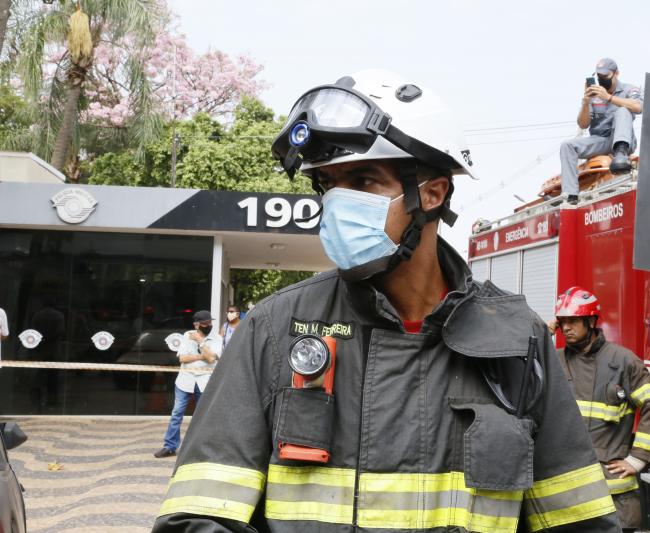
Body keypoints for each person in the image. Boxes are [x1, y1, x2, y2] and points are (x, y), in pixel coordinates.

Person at [153, 70, 620, 532]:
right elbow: (197, 515)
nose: (338, 203)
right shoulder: (275, 327)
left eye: (362, 180)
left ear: (433, 192)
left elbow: (577, 521)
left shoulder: (519, 339)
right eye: (327, 185)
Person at [551, 287, 650, 532]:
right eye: (562, 322)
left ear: (591, 321)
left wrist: (638, 459)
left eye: (572, 320)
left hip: (613, 498)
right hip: (567, 490)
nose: (566, 328)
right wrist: (541, 335)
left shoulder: (622, 361)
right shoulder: (555, 360)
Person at [559, 58, 643, 204]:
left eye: (606, 76)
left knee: (623, 110)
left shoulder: (629, 89)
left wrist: (609, 98)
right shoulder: (594, 95)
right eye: (599, 77)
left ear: (616, 73)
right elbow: (583, 124)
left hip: (623, 139)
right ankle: (571, 196)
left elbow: (638, 107)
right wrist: (586, 101)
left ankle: (620, 155)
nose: (602, 79)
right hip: (600, 141)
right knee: (567, 145)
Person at [154, 310, 222, 458]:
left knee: (202, 415)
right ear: (196, 325)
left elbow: (212, 359)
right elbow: (183, 358)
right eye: (205, 323)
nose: (208, 325)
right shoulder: (187, 335)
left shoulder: (216, 338)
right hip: (185, 380)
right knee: (177, 413)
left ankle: (200, 448)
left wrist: (200, 342)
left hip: (204, 381)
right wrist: (202, 355)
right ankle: (170, 446)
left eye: (210, 322)